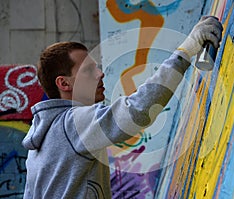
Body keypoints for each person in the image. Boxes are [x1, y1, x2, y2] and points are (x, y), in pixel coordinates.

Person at [22, 16, 223, 199]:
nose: (100, 73)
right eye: (89, 70)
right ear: (64, 84)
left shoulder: (38, 142)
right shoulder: (74, 123)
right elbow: (138, 110)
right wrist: (186, 51)